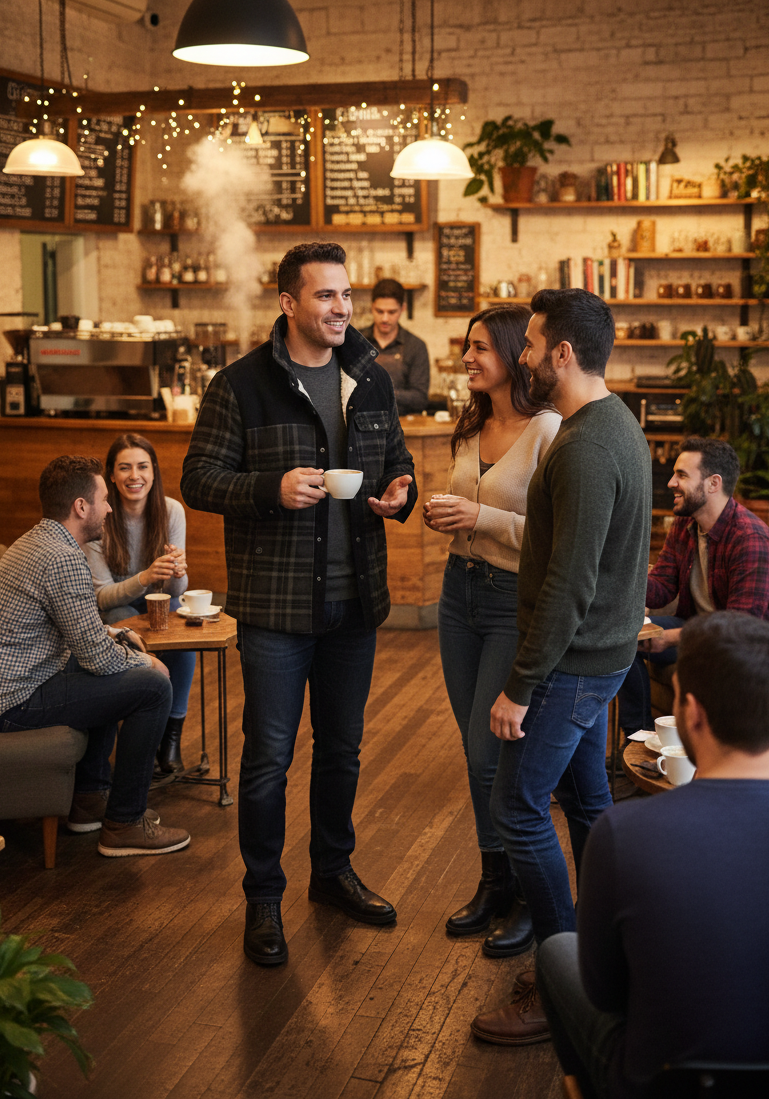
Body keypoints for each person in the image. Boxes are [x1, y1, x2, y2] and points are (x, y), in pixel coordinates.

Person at [181, 241, 417, 966]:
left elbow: (398, 458)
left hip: (355, 605)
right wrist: (270, 488)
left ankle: (332, 873)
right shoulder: (241, 385)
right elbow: (198, 480)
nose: (342, 308)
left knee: (342, 751)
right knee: (269, 758)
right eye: (326, 296)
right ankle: (262, 898)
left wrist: (401, 491)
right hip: (276, 608)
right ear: (288, 303)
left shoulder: (369, 377)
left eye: (345, 295)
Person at [470, 288, 652, 1045]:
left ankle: (559, 977)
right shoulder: (617, 424)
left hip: (572, 667)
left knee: (516, 808)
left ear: (563, 356)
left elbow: (571, 587)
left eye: (535, 344)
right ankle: (612, 957)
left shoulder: (582, 448)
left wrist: (519, 686)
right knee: (584, 807)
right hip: (599, 661)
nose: (526, 357)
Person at [536, 610, 769, 1099]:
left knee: (555, 951)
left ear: (691, 713)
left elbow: (605, 994)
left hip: (664, 1082)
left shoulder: (621, 832)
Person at [0, 456, 190, 858]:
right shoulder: (62, 557)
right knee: (151, 687)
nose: (110, 508)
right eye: (103, 498)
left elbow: (81, 631)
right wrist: (146, 662)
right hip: (1, 704)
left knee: (115, 665)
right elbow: (99, 659)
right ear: (81, 507)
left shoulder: (41, 541)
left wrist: (120, 634)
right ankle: (124, 824)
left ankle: (88, 799)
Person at [423, 306, 560, 955]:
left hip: (512, 603)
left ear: (514, 354)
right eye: (466, 346)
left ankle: (528, 892)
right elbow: (470, 513)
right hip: (459, 597)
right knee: (473, 753)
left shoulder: (550, 432)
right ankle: (494, 881)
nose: (469, 357)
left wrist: (480, 517)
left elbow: (554, 537)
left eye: (481, 347)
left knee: (488, 757)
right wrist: (446, 517)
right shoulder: (470, 425)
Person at [617, 436, 769, 736]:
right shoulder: (686, 524)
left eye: (681, 475)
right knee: (615, 636)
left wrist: (669, 638)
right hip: (698, 628)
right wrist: (619, 574)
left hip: (751, 648)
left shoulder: (750, 538)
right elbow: (661, 587)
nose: (670, 483)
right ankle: (639, 737)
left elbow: (739, 626)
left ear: (713, 483)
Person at [83, 433, 197, 778]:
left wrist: (177, 570)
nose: (135, 475)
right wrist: (146, 577)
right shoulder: (101, 517)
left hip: (163, 603)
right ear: (112, 476)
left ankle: (171, 737)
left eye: (143, 466)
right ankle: (143, 733)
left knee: (183, 633)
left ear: (154, 471)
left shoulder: (171, 510)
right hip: (119, 609)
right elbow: (102, 596)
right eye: (125, 468)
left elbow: (177, 588)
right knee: (124, 620)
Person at [360, 277, 430, 415]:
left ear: (402, 308)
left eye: (392, 312)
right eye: (379, 311)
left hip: (401, 425)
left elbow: (420, 398)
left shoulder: (415, 346)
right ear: (371, 307)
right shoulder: (357, 341)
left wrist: (380, 392)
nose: (385, 318)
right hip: (360, 423)